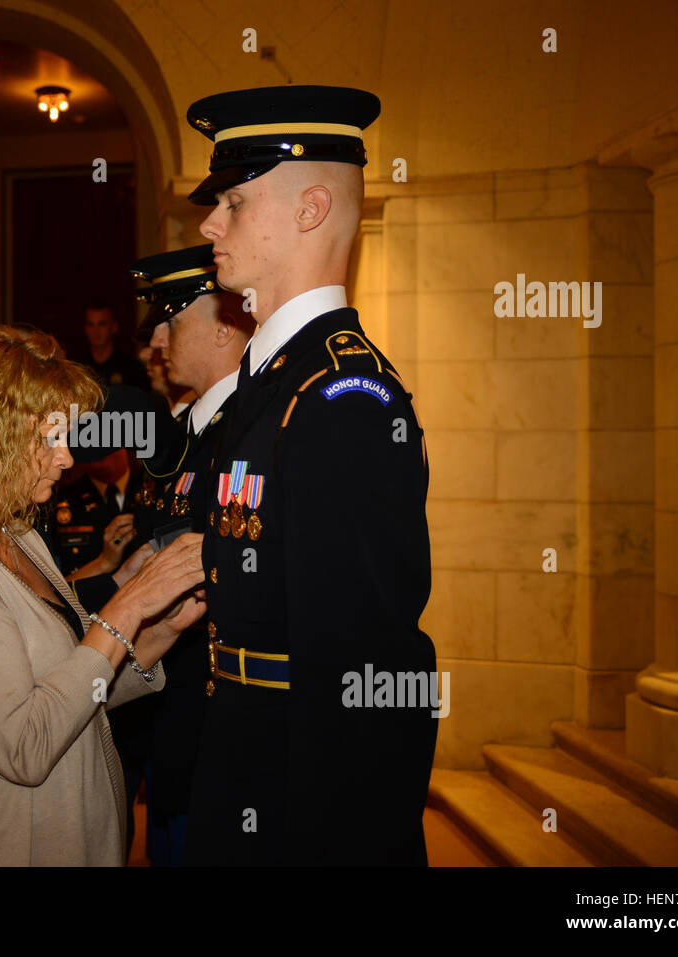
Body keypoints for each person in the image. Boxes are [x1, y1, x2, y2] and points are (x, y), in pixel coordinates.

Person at [181, 86, 437, 865]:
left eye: (233, 201)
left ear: (310, 208)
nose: (208, 224)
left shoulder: (340, 397)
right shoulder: (275, 380)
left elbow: (361, 673)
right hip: (248, 770)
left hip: (302, 813)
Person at [0, 327, 206, 865]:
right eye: (52, 439)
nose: (68, 459)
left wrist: (161, 628)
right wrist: (128, 606)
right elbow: (25, 744)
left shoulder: (15, 533)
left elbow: (70, 698)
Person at [127, 243, 251, 865]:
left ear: (227, 328)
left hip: (215, 720)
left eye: (173, 319)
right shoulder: (180, 433)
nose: (157, 338)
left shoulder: (249, 427)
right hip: (164, 707)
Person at [78, 301, 149, 389]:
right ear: (85, 329)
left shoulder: (131, 368)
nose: (95, 331)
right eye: (91, 325)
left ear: (114, 327)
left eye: (102, 324)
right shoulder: (78, 369)